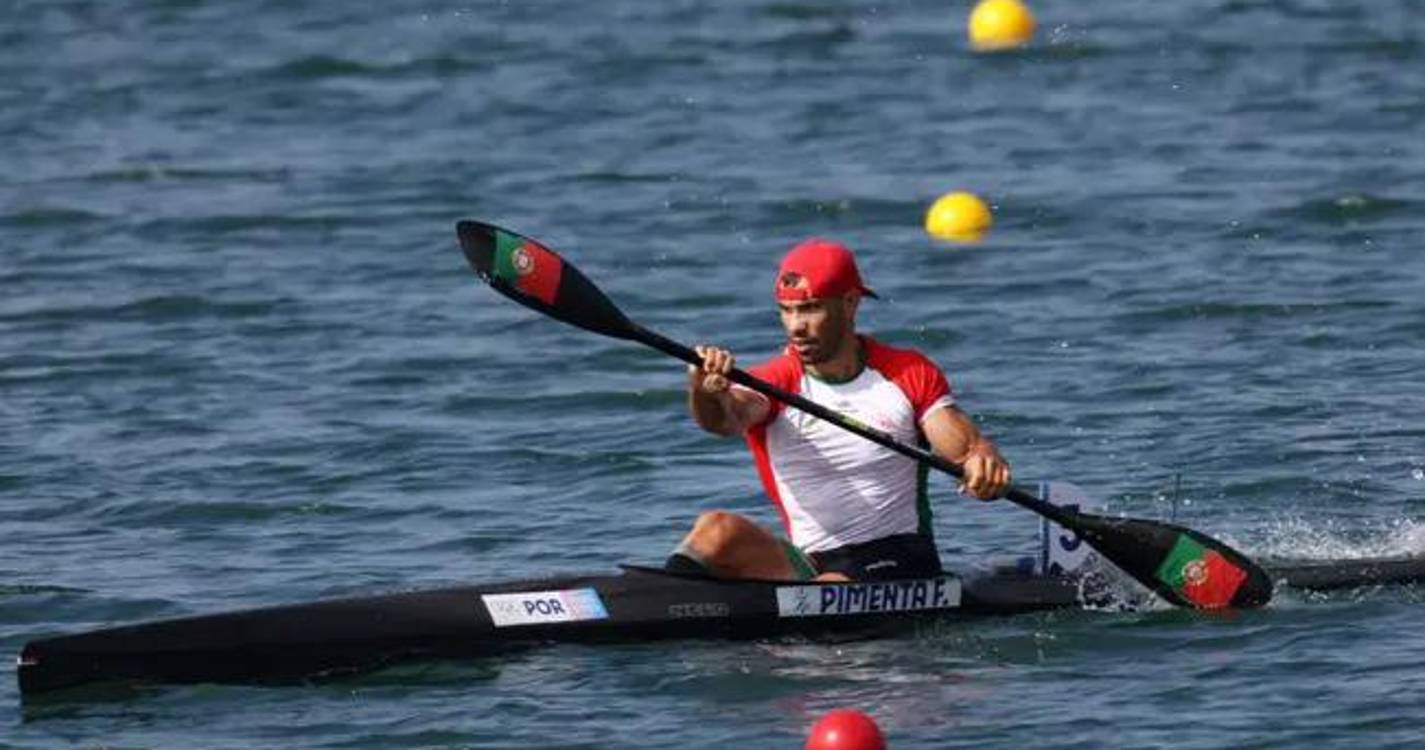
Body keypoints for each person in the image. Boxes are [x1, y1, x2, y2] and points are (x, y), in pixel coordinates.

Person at [665, 238, 1012, 581]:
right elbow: (725, 419)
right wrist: (704, 390)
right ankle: (661, 599)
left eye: (810, 308)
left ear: (849, 303)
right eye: (787, 311)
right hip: (812, 563)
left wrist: (981, 462)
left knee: (831, 588)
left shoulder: (907, 373)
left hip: (901, 557)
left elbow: (962, 448)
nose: (795, 326)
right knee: (716, 529)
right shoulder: (774, 381)